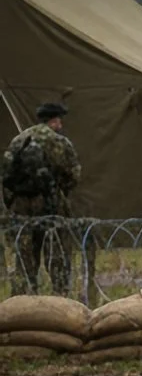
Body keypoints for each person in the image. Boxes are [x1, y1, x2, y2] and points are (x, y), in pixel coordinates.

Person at [4, 102, 80, 295]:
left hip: (22, 207)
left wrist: (13, 201)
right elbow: (73, 175)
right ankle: (60, 298)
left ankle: (21, 299)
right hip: (51, 204)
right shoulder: (59, 142)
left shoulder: (19, 140)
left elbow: (6, 173)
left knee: (25, 256)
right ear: (55, 121)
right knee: (57, 255)